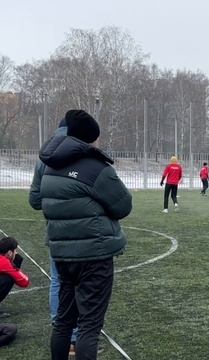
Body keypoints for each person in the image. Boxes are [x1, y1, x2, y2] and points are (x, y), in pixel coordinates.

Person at [35, 109, 132, 360]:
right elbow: (123, 206)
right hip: (94, 255)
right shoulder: (95, 166)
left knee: (63, 322)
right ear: (90, 138)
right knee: (89, 326)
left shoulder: (48, 166)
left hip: (61, 253)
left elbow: (40, 200)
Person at [28, 118, 79, 354]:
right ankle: (77, 336)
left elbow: (35, 201)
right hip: (82, 231)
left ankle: (61, 332)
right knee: (83, 283)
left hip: (55, 230)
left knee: (58, 280)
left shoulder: (44, 157)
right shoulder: (84, 153)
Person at [0, 237, 30, 313]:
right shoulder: (4, 262)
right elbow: (24, 282)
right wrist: (16, 263)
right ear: (10, 252)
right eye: (15, 250)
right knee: (9, 278)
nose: (16, 253)